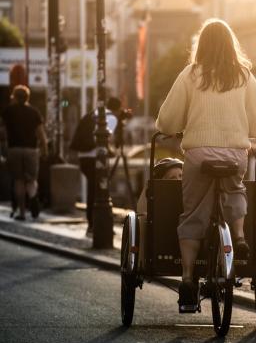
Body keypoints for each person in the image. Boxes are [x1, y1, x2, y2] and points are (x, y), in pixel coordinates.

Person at [155, 19, 256, 310]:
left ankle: (187, 279)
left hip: (198, 156)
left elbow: (167, 121)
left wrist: (178, 125)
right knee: (235, 190)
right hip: (234, 155)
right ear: (231, 45)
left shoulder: (191, 75)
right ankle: (240, 236)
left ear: (201, 46)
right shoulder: (244, 76)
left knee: (193, 212)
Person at [70, 97, 127, 236]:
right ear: (118, 109)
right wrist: (113, 151)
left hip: (83, 157)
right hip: (95, 158)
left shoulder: (93, 114)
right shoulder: (111, 118)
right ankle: (95, 224)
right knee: (99, 192)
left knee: (94, 190)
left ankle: (92, 224)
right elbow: (106, 140)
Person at [0, 85, 48, 221]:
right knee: (31, 179)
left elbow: (2, 131)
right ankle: (33, 197)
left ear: (14, 97)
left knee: (19, 181)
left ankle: (21, 213)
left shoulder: (8, 111)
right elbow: (41, 135)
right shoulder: (34, 112)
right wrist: (45, 150)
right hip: (31, 150)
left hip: (14, 149)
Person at [136, 157, 183, 268]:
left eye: (181, 176)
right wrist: (148, 186)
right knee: (142, 219)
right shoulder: (158, 195)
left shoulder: (189, 191)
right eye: (172, 178)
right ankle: (141, 264)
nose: (178, 180)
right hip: (162, 229)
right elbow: (141, 210)